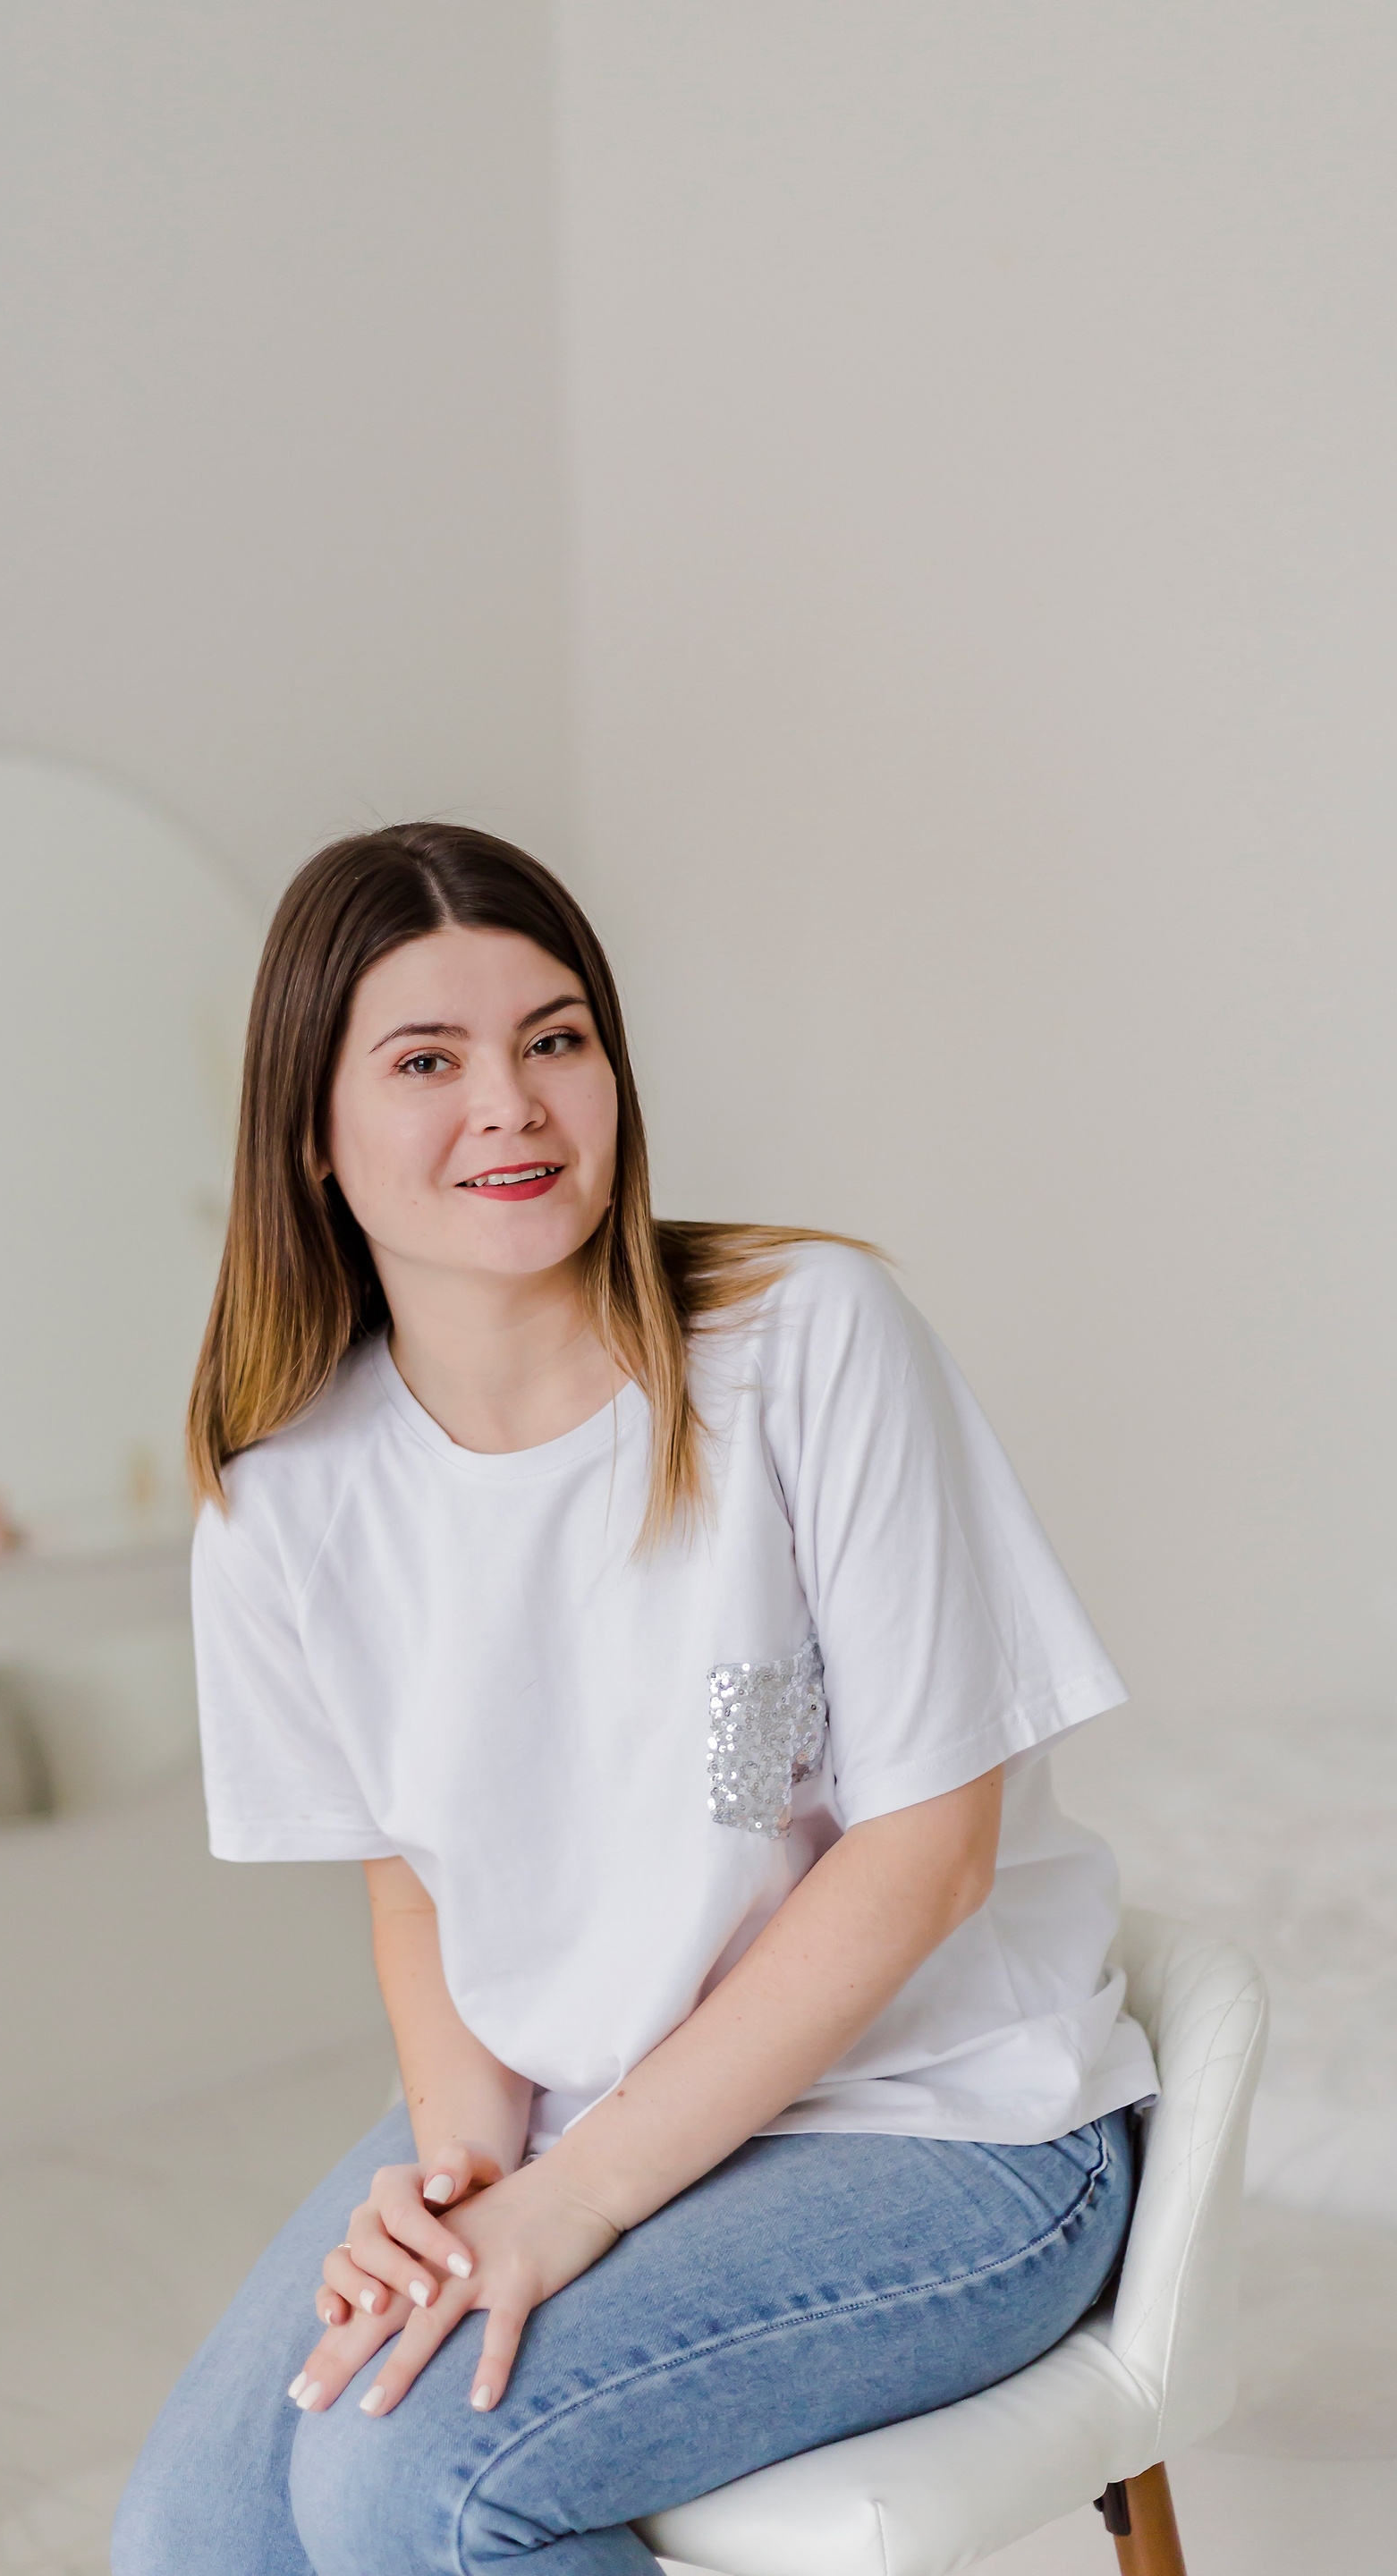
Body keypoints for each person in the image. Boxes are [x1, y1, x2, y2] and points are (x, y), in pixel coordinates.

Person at [113, 822, 1157, 2576]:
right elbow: (415, 1886)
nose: (512, 1104)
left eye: (556, 1038)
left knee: (409, 2487)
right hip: (567, 2109)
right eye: (427, 1061)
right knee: (196, 2538)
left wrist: (575, 2202)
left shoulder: (811, 1339)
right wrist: (465, 2169)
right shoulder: (280, 1503)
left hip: (945, 2126)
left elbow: (930, 1858)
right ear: (310, 1133)